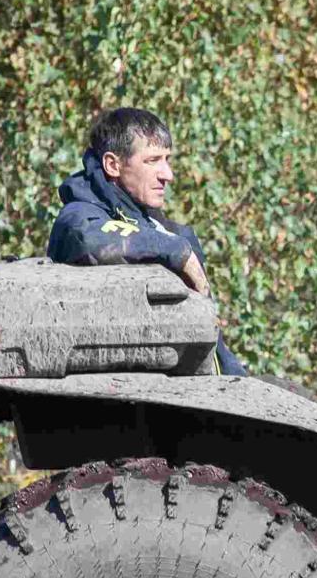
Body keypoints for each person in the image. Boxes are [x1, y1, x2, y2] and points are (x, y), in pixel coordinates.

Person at [47, 107, 246, 376]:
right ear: (113, 165)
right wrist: (177, 251)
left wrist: (237, 381)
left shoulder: (162, 228)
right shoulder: (80, 215)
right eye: (152, 160)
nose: (167, 174)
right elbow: (88, 238)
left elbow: (215, 343)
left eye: (167, 159)